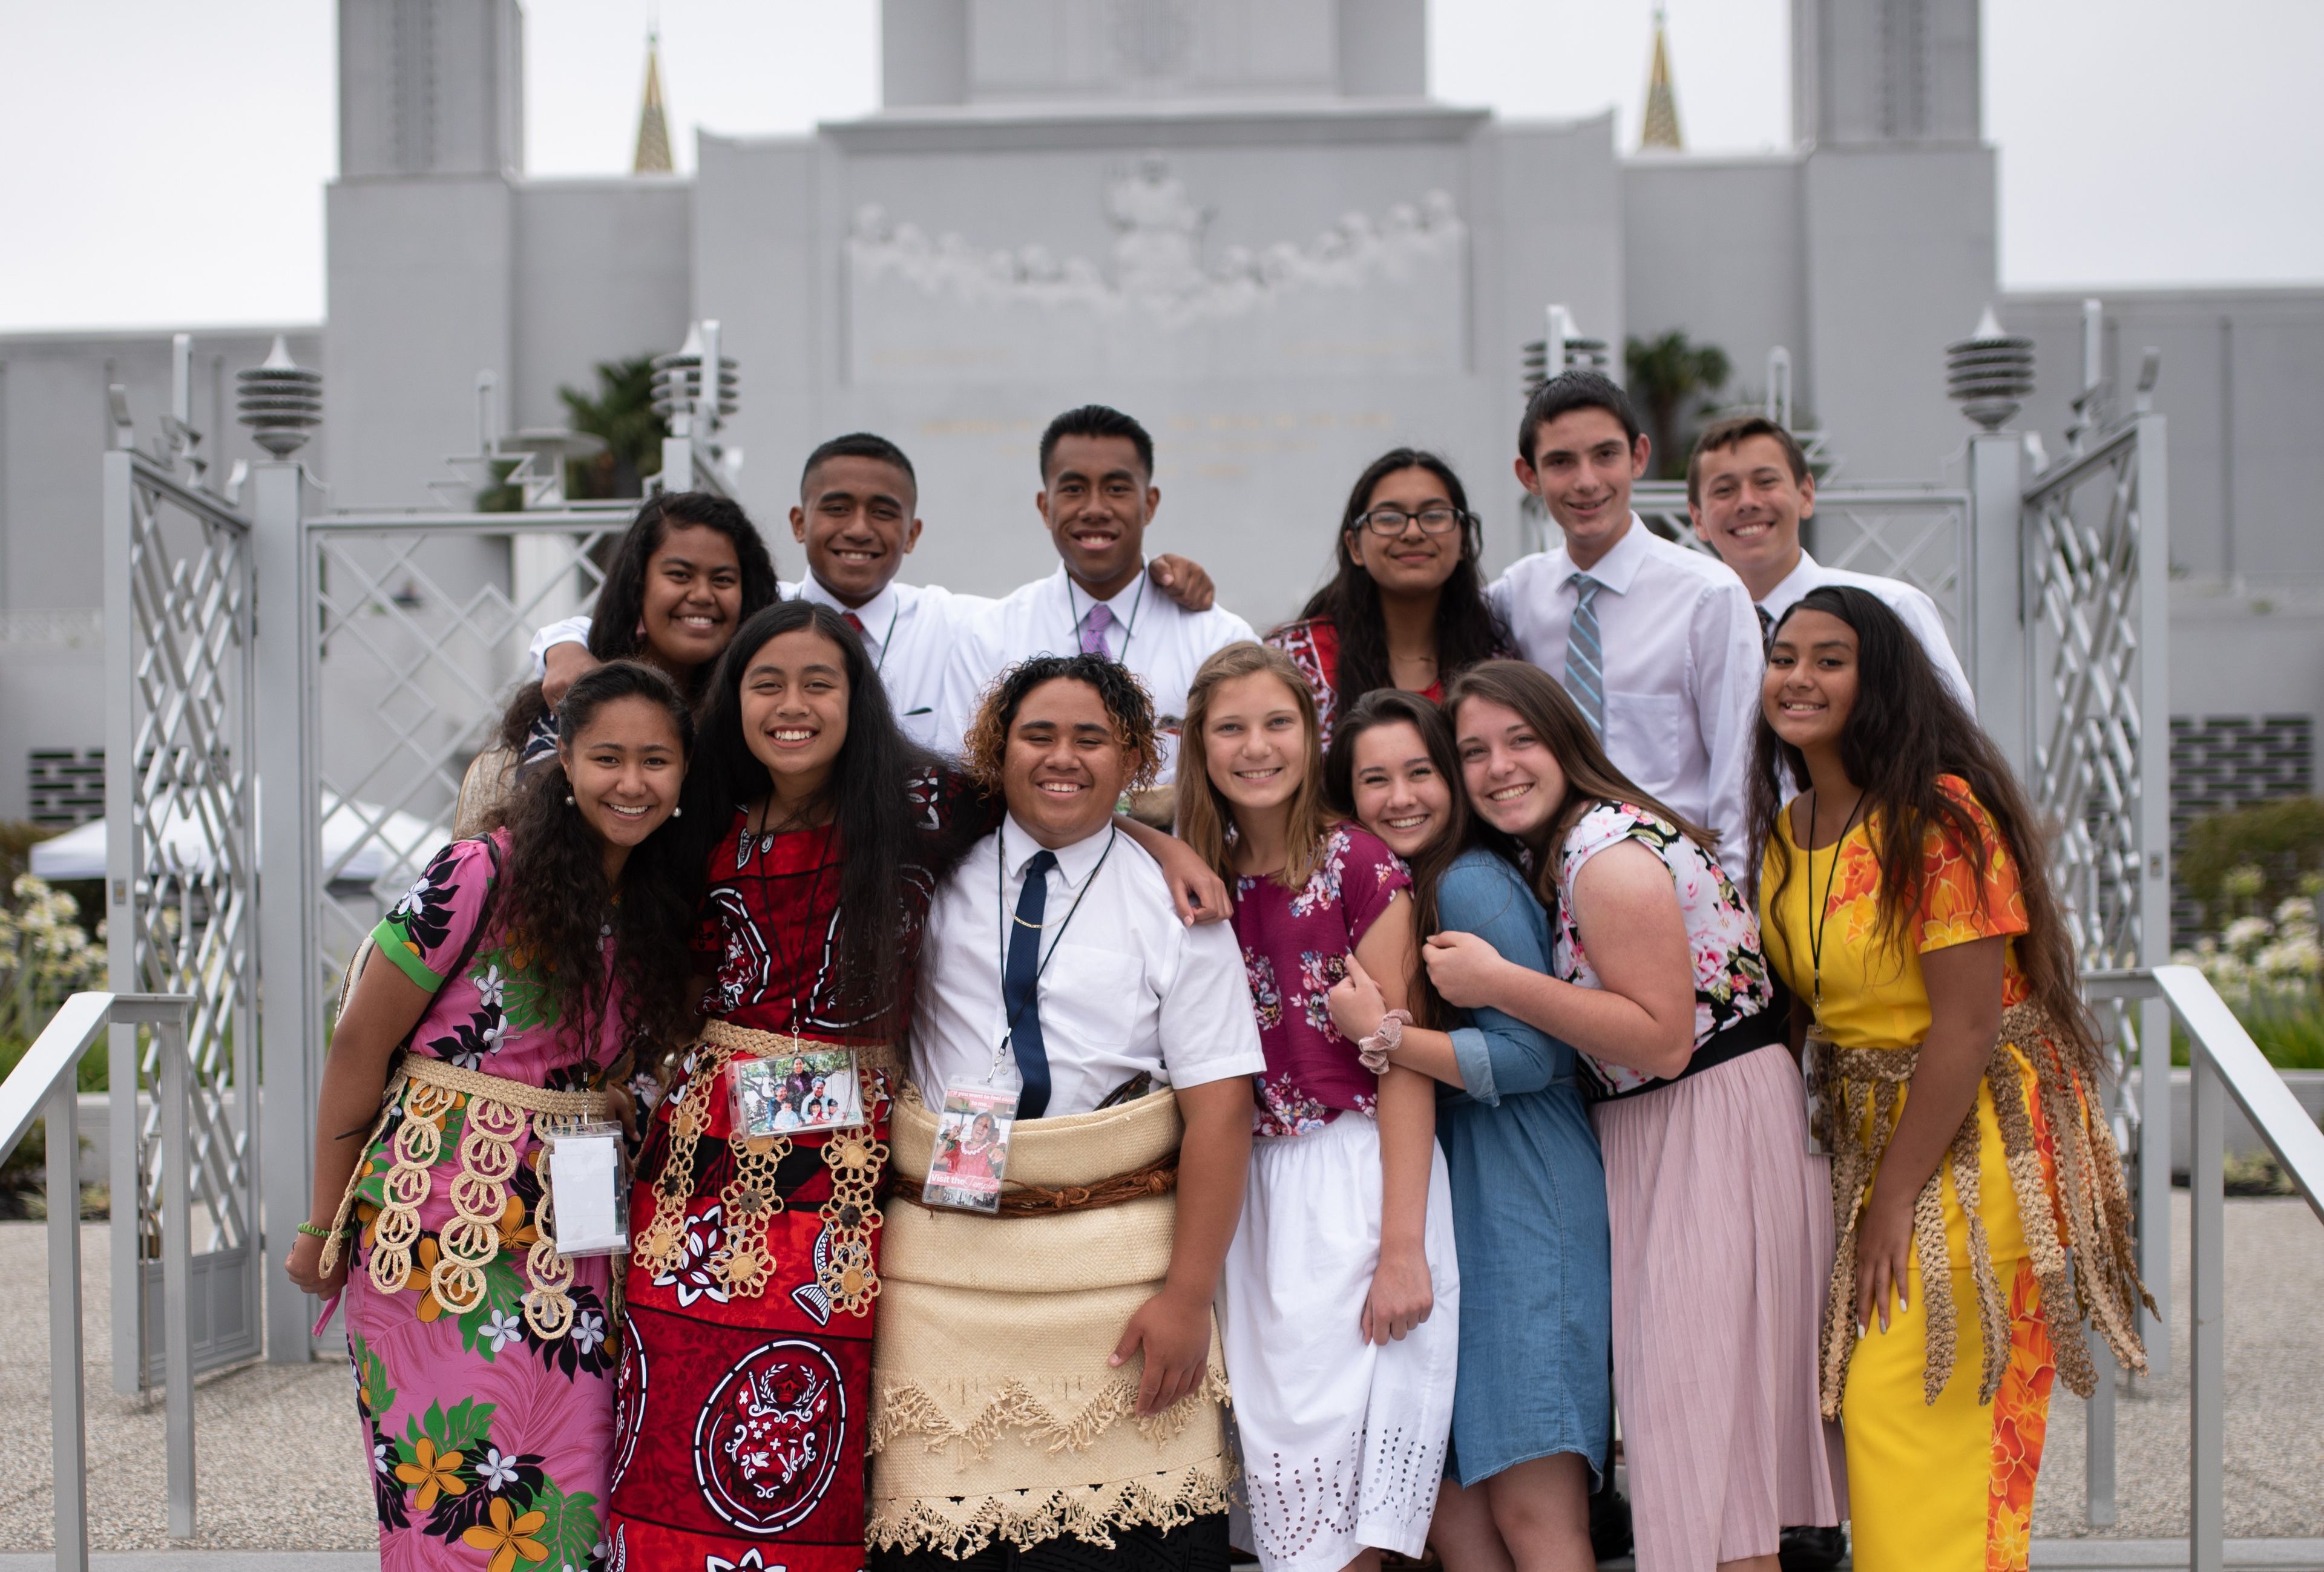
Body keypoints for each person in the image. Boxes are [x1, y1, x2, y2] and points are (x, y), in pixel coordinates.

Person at [611, 605, 1232, 1571]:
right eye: (766, 681)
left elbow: (1064, 813)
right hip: (714, 1173)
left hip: (845, 1190)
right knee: (689, 1416)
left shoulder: (923, 817)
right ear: (730, 697)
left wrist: (1166, 846)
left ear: (863, 700)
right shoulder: (693, 821)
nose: (793, 705)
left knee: (819, 1436)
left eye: (822, 682)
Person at [1753, 587, 2148, 1572]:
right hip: (1873, 1138)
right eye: (1785, 655)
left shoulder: (1941, 818)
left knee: (1919, 1405)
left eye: (1829, 658)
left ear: (1878, 678)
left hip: (1983, 1146)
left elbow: (1967, 1024)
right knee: (1883, 1418)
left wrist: (1894, 1201)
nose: (1799, 676)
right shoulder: (1790, 825)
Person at [1423, 659, 1840, 1572]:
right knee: (1712, 1469)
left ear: (1566, 741)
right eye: (1474, 752)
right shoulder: (1573, 846)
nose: (1498, 767)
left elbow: (1660, 1038)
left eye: (1520, 740)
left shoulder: (1606, 852)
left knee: (1709, 1460)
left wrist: (1499, 984)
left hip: (1705, 1124)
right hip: (1671, 1128)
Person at [283, 661, 703, 1566]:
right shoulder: (478, 870)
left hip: (578, 1249)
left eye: (656, 761)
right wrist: (321, 1222)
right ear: (565, 765)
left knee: (569, 1508)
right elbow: (359, 1044)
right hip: (440, 1244)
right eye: (608, 758)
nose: (631, 782)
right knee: (453, 1509)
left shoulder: (659, 903)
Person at [872, 653, 1265, 1572]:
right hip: (944, 1276)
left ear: (1132, 757)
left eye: (1092, 738)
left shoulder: (1179, 906)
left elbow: (1220, 1112)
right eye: (1038, 734)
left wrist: (1187, 1295)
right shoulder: (929, 873)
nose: (1063, 756)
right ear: (996, 752)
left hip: (1115, 1282)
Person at [1177, 643, 1459, 1572]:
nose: (1257, 747)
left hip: (1356, 1176)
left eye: (1278, 723)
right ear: (1201, 745)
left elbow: (1403, 1066)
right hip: (1248, 1193)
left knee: (1348, 1524)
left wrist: (1404, 1248)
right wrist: (1161, 839)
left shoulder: (1358, 866)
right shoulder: (1194, 872)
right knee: (1288, 1490)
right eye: (1231, 727)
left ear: (1312, 734)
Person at [1321, 688, 1610, 1572]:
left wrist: (1387, 1038)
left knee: (1533, 1509)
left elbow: (1534, 1057)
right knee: (1459, 1517)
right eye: (1376, 779)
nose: (1402, 796)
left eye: (1421, 772)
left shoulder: (1471, 881)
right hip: (1459, 1197)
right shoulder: (1391, 886)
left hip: (1523, 1192)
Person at [533, 436, 1219, 748]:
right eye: (836, 508)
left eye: (884, 513)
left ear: (913, 532)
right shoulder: (759, 611)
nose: (858, 530)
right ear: (800, 522)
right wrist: (562, 649)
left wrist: (1158, 575)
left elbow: (1064, 615)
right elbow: (634, 614)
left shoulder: (957, 622)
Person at [1490, 372, 1762, 853]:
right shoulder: (1515, 596)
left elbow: (1741, 777)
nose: (1587, 481)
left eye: (1605, 455)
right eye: (1560, 462)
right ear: (1528, 475)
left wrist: (1735, 912)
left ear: (1638, 456)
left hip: (1678, 887)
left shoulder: (1709, 596)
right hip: (1547, 887)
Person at [936, 405, 1256, 785]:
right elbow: (965, 779)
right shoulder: (987, 639)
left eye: (1117, 489)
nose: (1095, 508)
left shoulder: (1218, 641)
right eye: (1073, 489)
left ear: (1149, 504)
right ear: (1045, 507)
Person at [1686, 415, 1974, 711]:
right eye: (1724, 490)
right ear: (1698, 518)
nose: (1747, 502)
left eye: (1765, 482)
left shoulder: (1893, 609)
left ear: (1806, 495)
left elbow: (1951, 741)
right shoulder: (1686, 633)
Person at [1267, 448, 1511, 748]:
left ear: (1463, 541)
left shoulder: (1500, 664)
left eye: (1434, 516)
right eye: (1389, 518)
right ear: (1354, 546)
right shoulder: (1293, 661)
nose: (1412, 532)